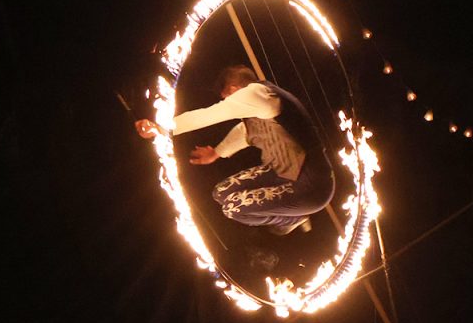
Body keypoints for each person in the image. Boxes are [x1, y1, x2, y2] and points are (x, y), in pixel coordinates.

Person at [135, 65, 335, 235]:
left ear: (234, 89)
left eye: (227, 97)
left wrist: (161, 127)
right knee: (221, 193)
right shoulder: (258, 114)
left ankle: (292, 219)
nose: (229, 102)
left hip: (312, 185)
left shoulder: (260, 94)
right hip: (281, 173)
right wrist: (216, 153)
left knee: (233, 208)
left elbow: (212, 114)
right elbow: (243, 132)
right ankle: (290, 214)